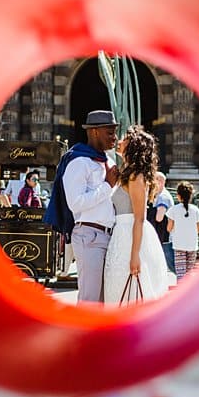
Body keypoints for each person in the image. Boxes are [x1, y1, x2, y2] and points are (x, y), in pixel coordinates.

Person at [44, 110, 120, 303]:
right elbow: (75, 203)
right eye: (109, 132)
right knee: (90, 299)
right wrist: (107, 185)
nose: (114, 137)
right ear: (94, 132)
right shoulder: (78, 161)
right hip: (89, 235)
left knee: (105, 299)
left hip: (109, 236)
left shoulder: (108, 161)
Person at [102, 125, 170, 305]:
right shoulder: (126, 174)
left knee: (130, 293)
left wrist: (135, 255)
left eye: (124, 138)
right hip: (121, 236)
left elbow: (139, 217)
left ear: (133, 145)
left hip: (131, 238)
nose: (119, 140)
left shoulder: (136, 177)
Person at [166, 181, 199, 281]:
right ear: (190, 195)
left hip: (178, 245)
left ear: (178, 196)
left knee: (180, 273)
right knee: (189, 272)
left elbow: (169, 228)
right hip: (192, 245)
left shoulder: (173, 210)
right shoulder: (195, 209)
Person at [147, 171, 175, 274]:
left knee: (171, 263)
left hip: (164, 235)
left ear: (159, 182)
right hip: (164, 235)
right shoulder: (161, 195)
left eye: (152, 180)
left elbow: (159, 217)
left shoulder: (163, 197)